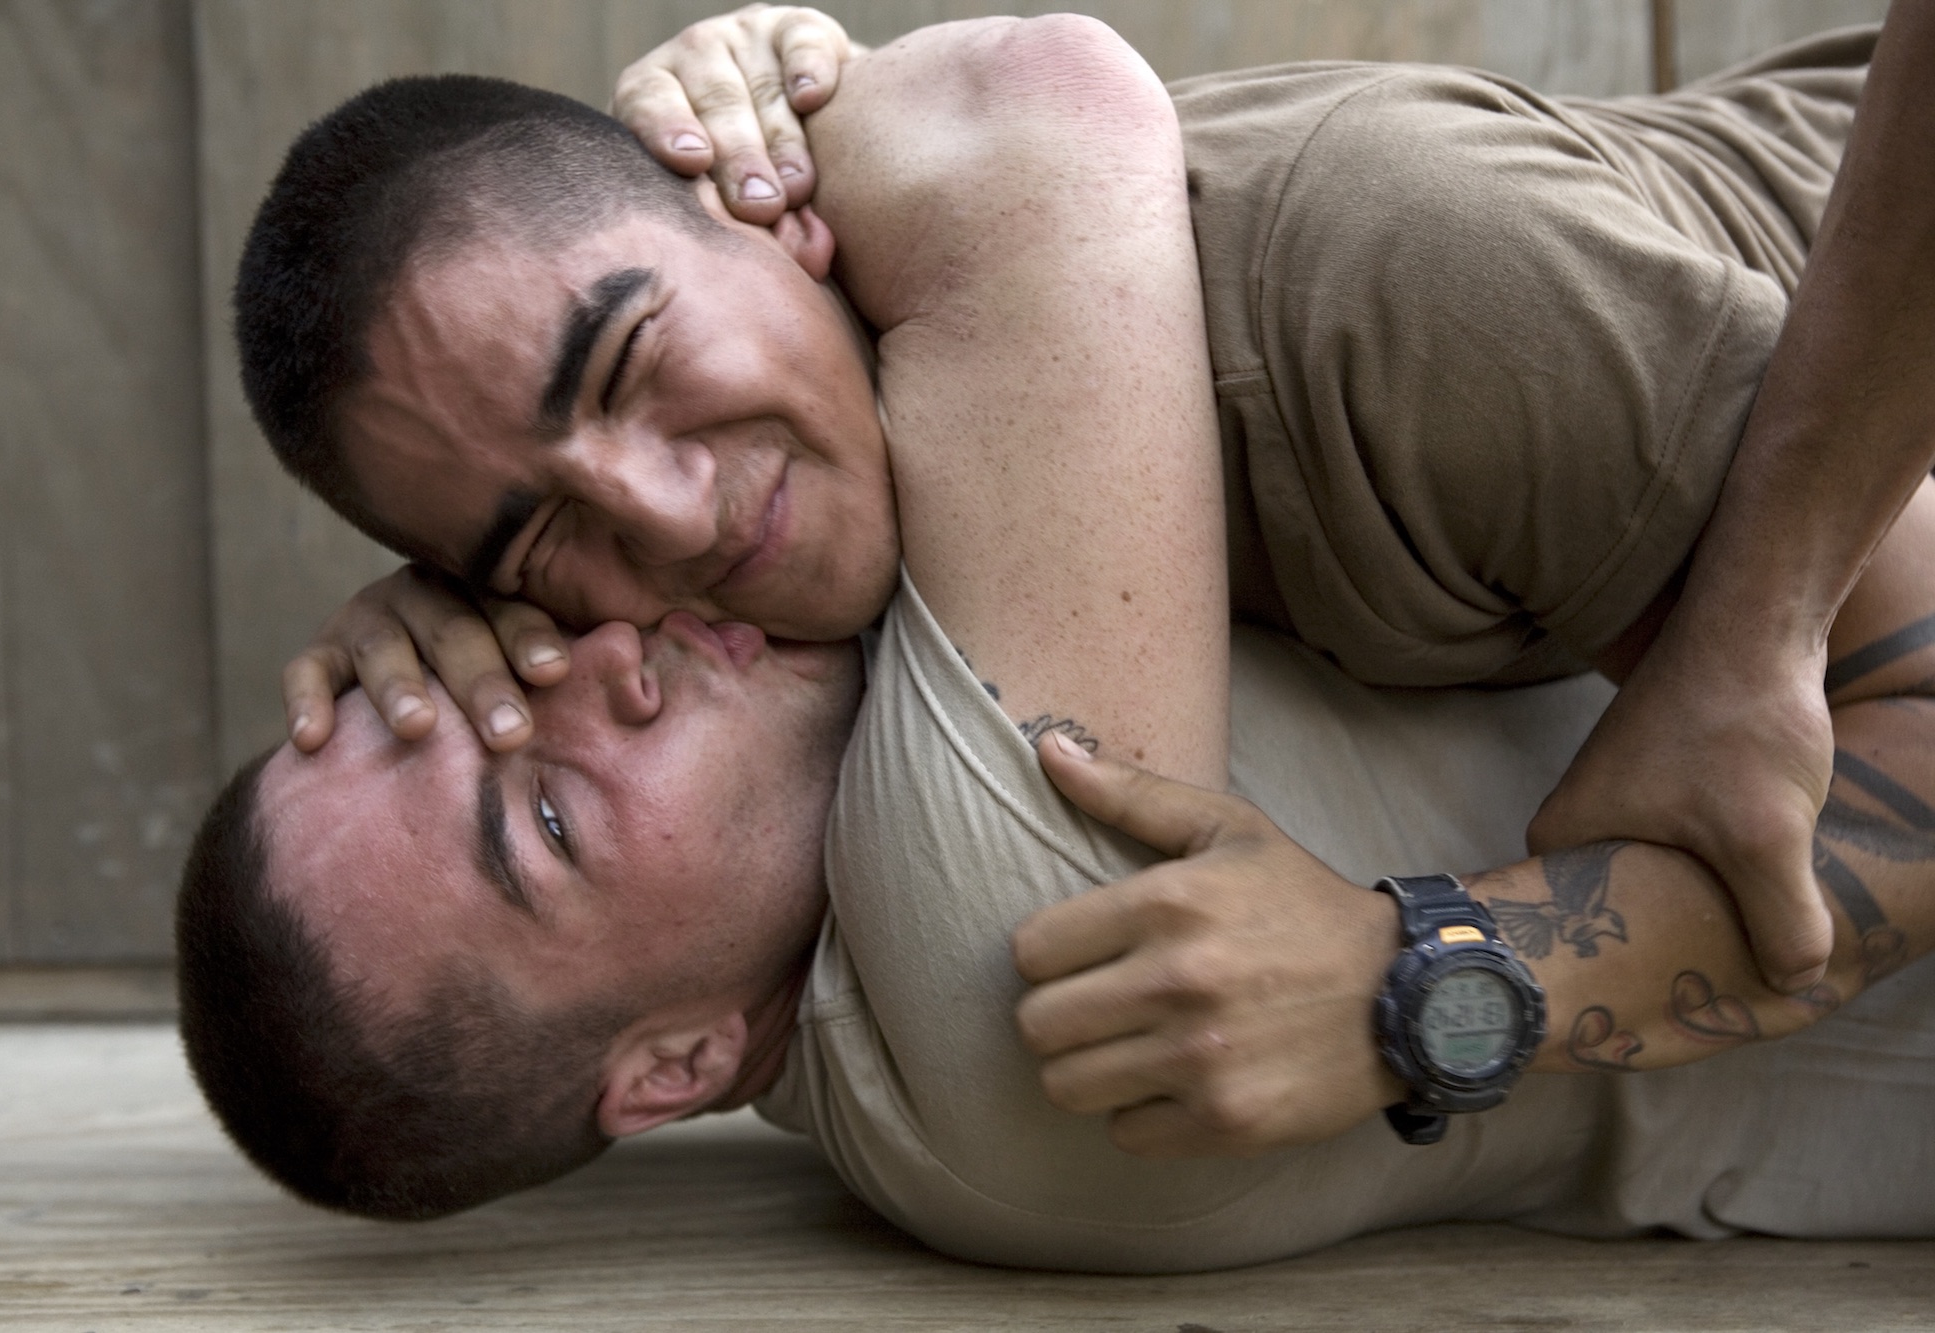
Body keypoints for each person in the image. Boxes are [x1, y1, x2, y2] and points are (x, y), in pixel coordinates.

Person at [180, 16, 1935, 1267]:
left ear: (754, 199)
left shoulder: (1369, 288)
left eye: (634, 359)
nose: (666, 529)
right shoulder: (796, 613)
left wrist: (1427, 985)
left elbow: (1031, 110)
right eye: (528, 573)